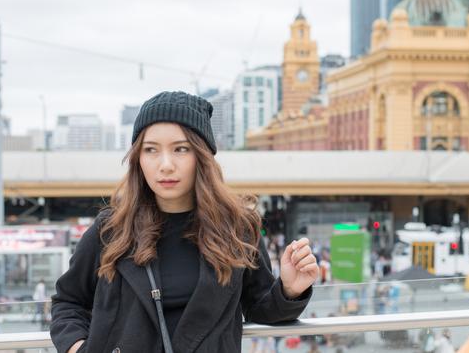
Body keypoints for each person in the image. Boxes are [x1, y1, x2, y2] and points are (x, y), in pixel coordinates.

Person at [50, 91, 318, 353]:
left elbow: (258, 306)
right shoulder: (111, 228)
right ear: (138, 159)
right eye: (151, 150)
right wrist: (79, 348)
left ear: (202, 156)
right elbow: (68, 302)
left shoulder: (237, 228)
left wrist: (289, 290)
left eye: (180, 149)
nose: (165, 165)